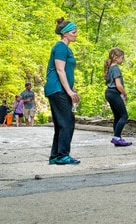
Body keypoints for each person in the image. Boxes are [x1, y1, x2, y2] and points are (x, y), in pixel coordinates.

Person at [45, 17, 80, 165]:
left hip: (60, 89)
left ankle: (55, 155)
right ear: (65, 34)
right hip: (57, 89)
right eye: (73, 32)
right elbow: (60, 70)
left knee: (61, 123)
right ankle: (62, 155)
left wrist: (72, 89)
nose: (76, 34)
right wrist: (69, 92)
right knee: (67, 122)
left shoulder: (65, 48)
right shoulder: (60, 47)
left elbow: (66, 70)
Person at [103, 47, 131, 146]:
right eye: (122, 58)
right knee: (124, 115)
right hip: (114, 93)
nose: (122, 60)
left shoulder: (110, 67)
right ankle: (117, 137)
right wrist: (124, 93)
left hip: (109, 93)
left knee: (117, 116)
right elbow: (118, 85)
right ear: (116, 58)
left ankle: (117, 137)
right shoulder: (115, 69)